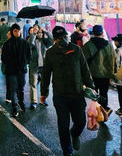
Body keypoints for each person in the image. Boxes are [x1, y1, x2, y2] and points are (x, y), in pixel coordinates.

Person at [41, 26, 95, 155]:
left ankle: (75, 134)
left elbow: (85, 70)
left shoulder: (76, 49)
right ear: (54, 40)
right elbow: (46, 74)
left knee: (81, 122)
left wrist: (91, 88)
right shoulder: (50, 53)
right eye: (60, 38)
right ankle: (67, 151)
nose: (63, 40)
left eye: (65, 37)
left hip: (77, 94)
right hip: (60, 95)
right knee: (63, 125)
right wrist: (44, 93)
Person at [82, 25, 117, 114]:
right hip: (105, 75)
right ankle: (103, 111)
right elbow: (113, 60)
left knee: (94, 94)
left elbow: (83, 62)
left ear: (93, 33)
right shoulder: (109, 45)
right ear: (102, 33)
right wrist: (113, 74)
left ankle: (96, 112)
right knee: (104, 94)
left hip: (92, 75)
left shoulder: (87, 45)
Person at [1, 24, 30, 118]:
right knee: (13, 90)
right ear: (12, 32)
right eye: (15, 31)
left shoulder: (25, 43)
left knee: (20, 89)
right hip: (12, 71)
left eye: (18, 30)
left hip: (21, 70)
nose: (17, 33)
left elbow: (29, 56)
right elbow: (3, 58)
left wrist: (25, 62)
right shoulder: (7, 44)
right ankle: (15, 108)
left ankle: (21, 104)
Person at [28, 24, 53, 108]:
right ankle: (34, 101)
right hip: (34, 65)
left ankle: (43, 99)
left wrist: (46, 31)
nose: (40, 34)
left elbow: (52, 40)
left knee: (44, 84)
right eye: (38, 32)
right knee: (33, 83)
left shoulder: (45, 42)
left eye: (41, 33)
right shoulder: (32, 39)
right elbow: (30, 44)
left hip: (44, 66)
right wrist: (34, 34)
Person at [112, 34, 122, 115]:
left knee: (121, 94)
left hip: (121, 76)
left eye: (115, 41)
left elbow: (119, 64)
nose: (114, 42)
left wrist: (117, 76)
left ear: (118, 42)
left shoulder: (118, 51)